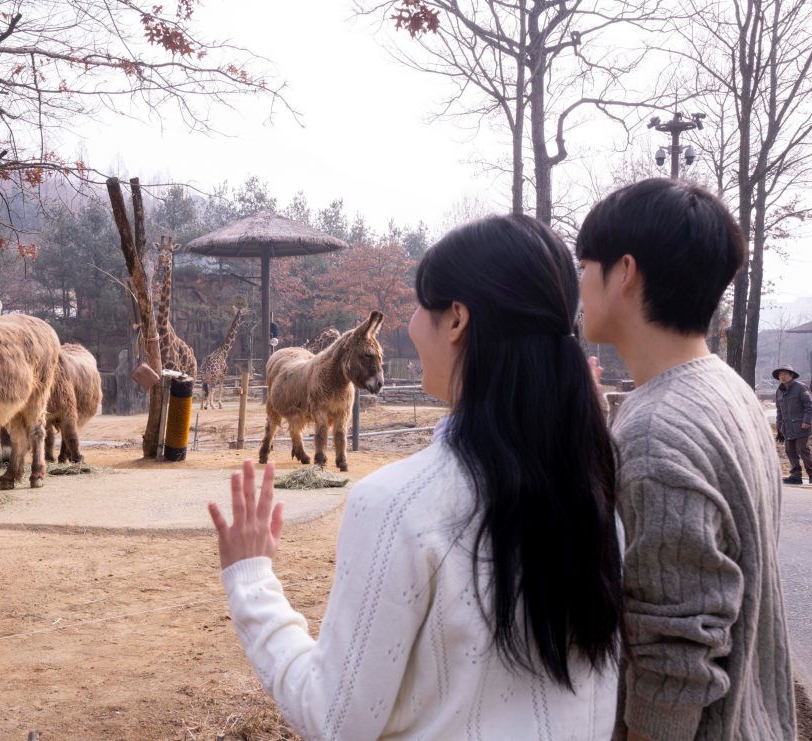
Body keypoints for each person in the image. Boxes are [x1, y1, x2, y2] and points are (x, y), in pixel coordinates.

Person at [208, 215, 624, 739]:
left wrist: (251, 580)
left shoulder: (397, 506)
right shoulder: (596, 491)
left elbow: (334, 718)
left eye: (419, 305)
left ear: (456, 320)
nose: (409, 323)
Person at [575, 177, 795, 741]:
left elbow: (674, 658)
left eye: (584, 264)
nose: (577, 283)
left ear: (624, 273)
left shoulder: (656, 431)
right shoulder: (728, 389)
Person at [773, 363, 812, 484]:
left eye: (785, 374)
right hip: (787, 427)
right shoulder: (779, 391)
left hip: (801, 426)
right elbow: (779, 410)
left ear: (791, 375)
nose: (782, 377)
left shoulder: (801, 388)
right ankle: (796, 475)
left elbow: (809, 406)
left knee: (802, 449)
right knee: (790, 450)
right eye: (780, 375)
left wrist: (806, 421)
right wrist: (779, 426)